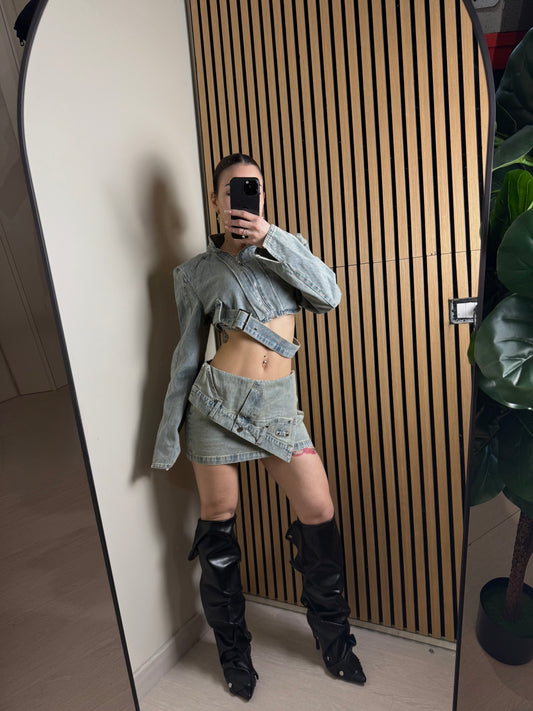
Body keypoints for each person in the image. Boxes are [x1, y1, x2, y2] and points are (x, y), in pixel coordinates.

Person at [152, 153, 366, 700]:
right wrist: (168, 435)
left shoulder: (287, 249)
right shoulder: (194, 273)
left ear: (262, 198)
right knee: (219, 524)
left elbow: (329, 296)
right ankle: (233, 654)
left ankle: (335, 641)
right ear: (215, 201)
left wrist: (269, 236)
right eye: (232, 189)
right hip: (216, 407)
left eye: (253, 188)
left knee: (318, 509)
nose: (243, 197)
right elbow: (186, 357)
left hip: (277, 409)